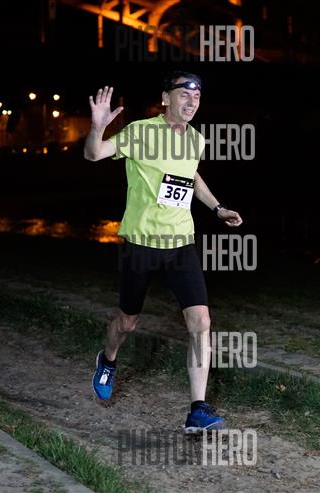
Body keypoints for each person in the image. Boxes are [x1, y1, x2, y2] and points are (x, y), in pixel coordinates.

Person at [83, 71, 243, 433]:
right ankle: (108, 360)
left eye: (197, 97)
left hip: (180, 243)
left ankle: (197, 410)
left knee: (201, 322)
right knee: (127, 322)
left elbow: (191, 176)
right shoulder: (141, 132)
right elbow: (94, 154)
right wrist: (97, 127)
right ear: (165, 98)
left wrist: (218, 208)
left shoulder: (196, 139)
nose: (191, 102)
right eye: (184, 95)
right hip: (141, 243)